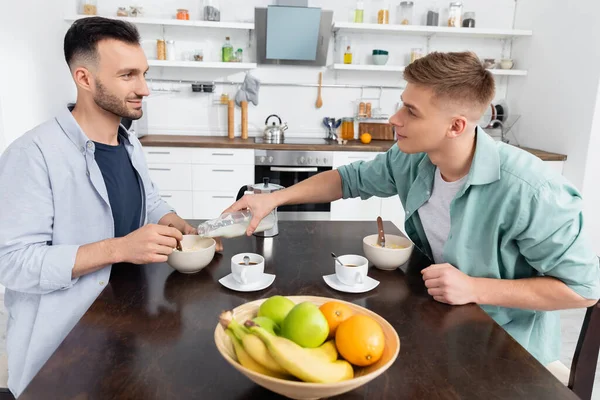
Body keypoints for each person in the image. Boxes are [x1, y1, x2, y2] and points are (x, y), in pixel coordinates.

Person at [225, 52, 600, 368]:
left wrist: (474, 287)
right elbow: (346, 179)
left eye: (411, 111)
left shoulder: (531, 190)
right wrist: (272, 198)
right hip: (443, 324)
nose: (394, 119)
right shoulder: (413, 160)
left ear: (455, 126)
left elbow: (584, 290)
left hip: (507, 350)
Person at [0, 17, 221, 396]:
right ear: (84, 79)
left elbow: (147, 198)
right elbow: (12, 263)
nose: (145, 89)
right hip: (66, 345)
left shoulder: (128, 143)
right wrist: (119, 249)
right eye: (128, 75)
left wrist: (179, 226)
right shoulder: (32, 155)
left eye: (144, 74)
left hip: (127, 321)